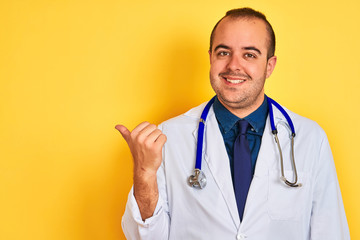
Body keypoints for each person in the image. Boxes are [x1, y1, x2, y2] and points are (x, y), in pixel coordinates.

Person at [116, 7, 350, 240]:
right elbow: (143, 237)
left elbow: (331, 232)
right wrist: (144, 174)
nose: (233, 65)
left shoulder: (309, 138)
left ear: (269, 65)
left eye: (249, 54)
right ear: (211, 57)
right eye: (223, 52)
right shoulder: (168, 137)